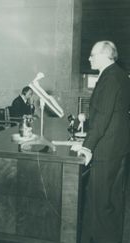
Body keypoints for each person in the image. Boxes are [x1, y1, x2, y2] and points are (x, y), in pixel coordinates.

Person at [74, 40, 130, 243]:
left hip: (106, 149)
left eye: (92, 54)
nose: (89, 58)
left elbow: (103, 115)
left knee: (100, 200)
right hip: (118, 146)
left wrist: (87, 146)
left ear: (105, 55)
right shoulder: (119, 74)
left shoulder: (110, 78)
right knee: (112, 200)